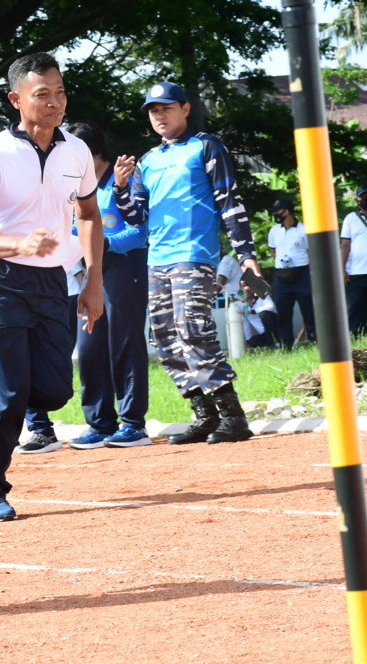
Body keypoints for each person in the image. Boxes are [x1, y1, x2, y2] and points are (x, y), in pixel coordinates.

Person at [0, 52, 104, 522]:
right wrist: (18, 244)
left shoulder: (75, 151)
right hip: (0, 281)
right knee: (10, 396)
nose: (55, 103)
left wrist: (92, 281)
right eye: (42, 95)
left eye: (60, 93)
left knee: (53, 392)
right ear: (16, 100)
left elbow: (89, 216)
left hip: (53, 279)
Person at [114, 81, 262, 445]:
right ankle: (205, 415)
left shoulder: (207, 146)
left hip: (194, 254)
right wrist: (120, 188)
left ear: (185, 109)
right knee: (164, 337)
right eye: (153, 110)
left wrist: (246, 256)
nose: (159, 115)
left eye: (166, 107)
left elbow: (229, 201)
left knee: (192, 328)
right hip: (158, 258)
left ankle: (233, 416)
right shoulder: (147, 161)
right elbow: (137, 217)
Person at [53, 120, 152, 450]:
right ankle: (99, 422)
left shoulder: (124, 179)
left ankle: (133, 423)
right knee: (90, 345)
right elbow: (72, 231)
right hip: (89, 272)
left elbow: (139, 232)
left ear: (94, 153)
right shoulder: (77, 187)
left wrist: (100, 244)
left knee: (124, 343)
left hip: (125, 268)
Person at [267, 197, 315, 347]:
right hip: (282, 275)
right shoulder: (274, 231)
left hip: (301, 273)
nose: (276, 214)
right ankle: (285, 343)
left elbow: (310, 251)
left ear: (287, 211)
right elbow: (272, 251)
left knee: (308, 309)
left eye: (278, 211)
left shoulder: (303, 229)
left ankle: (314, 339)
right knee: (283, 311)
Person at [340, 185, 367, 337]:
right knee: (356, 308)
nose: (365, 200)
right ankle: (355, 341)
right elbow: (345, 244)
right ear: (357, 200)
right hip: (357, 272)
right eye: (363, 197)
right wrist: (342, 269)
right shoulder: (351, 218)